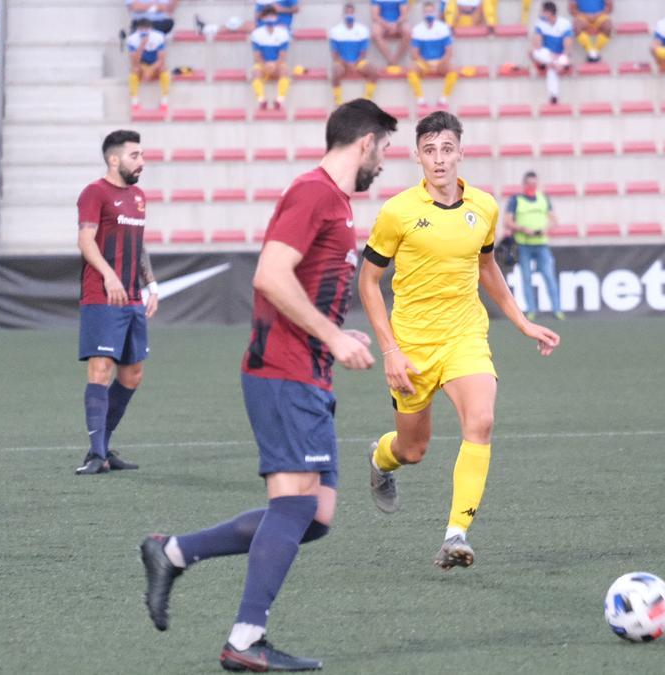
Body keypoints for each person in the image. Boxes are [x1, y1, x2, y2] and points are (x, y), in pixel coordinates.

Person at [139, 99, 396, 672]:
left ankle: (173, 552)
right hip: (284, 371)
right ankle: (245, 639)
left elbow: (300, 283)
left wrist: (331, 331)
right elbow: (270, 275)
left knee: (317, 514)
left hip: (306, 372)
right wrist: (332, 336)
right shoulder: (313, 192)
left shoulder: (335, 201)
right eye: (385, 149)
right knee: (297, 502)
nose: (384, 162)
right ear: (366, 142)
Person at [358, 111, 562, 570]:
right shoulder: (398, 212)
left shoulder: (484, 208)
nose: (439, 160)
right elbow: (368, 283)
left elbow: (487, 267)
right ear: (417, 157)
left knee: (482, 420)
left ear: (460, 153)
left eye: (446, 149)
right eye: (429, 151)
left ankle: (456, 535)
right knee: (413, 450)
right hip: (412, 347)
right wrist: (390, 349)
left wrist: (522, 322)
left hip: (465, 335)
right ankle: (381, 459)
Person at [75, 130, 158, 476]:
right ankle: (96, 454)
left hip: (133, 300)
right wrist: (108, 275)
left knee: (132, 374)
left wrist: (151, 283)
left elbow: (138, 245)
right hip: (102, 297)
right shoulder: (94, 193)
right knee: (100, 370)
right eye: (135, 155)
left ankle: (102, 448)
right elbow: (85, 239)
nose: (142, 161)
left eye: (141, 154)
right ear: (114, 159)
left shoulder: (138, 197)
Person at [505, 171, 565, 320]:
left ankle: (557, 309)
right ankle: (531, 310)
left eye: (534, 183)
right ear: (524, 184)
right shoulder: (516, 200)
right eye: (530, 183)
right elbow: (507, 221)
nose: (532, 186)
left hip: (541, 244)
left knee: (549, 276)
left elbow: (554, 220)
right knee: (526, 278)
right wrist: (522, 228)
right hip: (523, 244)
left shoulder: (543, 199)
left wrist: (545, 229)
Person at [408, 2, 459, 107]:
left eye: (431, 11)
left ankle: (443, 99)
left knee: (453, 70)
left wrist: (442, 62)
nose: (429, 14)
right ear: (423, 13)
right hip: (424, 62)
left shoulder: (443, 28)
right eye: (426, 11)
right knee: (411, 70)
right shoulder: (418, 29)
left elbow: (449, 52)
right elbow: (414, 54)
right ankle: (420, 99)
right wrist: (426, 64)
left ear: (435, 12)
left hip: (440, 61)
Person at [329, 3, 378, 105]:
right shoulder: (335, 31)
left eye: (351, 12)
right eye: (347, 12)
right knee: (335, 71)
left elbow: (363, 53)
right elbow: (335, 55)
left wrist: (354, 63)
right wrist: (347, 64)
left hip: (358, 61)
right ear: (343, 14)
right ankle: (338, 100)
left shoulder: (362, 30)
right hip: (342, 62)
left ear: (355, 14)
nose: (349, 15)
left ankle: (367, 99)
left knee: (373, 71)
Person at [529, 2, 574, 105]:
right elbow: (537, 45)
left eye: (543, 12)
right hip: (548, 55)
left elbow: (568, 46)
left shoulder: (564, 24)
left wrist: (559, 55)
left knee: (552, 67)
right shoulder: (540, 23)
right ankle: (554, 94)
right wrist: (552, 57)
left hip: (561, 55)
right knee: (535, 53)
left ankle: (553, 95)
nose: (541, 14)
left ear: (549, 13)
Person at [250, 6, 292, 110]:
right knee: (255, 72)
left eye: (272, 15)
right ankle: (261, 100)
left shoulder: (282, 33)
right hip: (262, 63)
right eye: (267, 16)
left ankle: (279, 100)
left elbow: (283, 55)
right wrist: (265, 66)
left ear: (276, 17)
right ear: (263, 18)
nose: (270, 18)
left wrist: (274, 65)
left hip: (277, 63)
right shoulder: (256, 34)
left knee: (285, 71)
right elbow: (257, 55)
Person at [126, 17, 170, 109]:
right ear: (137, 30)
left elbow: (161, 60)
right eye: (141, 30)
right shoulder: (132, 40)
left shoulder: (159, 37)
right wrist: (142, 45)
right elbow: (134, 62)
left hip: (155, 65)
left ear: (151, 29)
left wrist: (150, 70)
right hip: (141, 65)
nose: (144, 33)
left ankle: (164, 100)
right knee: (134, 70)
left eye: (146, 30)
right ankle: (134, 101)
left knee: (164, 69)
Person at [371, 0, 411, 69]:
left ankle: (395, 59)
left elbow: (404, 15)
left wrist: (395, 24)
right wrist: (387, 25)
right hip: (383, 23)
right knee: (375, 32)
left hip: (398, 23)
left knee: (408, 31)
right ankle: (391, 60)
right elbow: (375, 16)